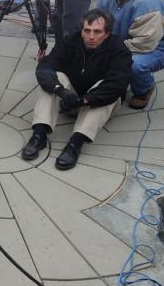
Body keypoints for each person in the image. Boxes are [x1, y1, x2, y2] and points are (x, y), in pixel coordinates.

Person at [22, 9, 131, 170]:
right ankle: (39, 135)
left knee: (106, 86)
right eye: (87, 30)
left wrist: (83, 100)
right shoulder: (70, 41)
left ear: (107, 33)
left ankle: (75, 144)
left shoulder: (119, 50)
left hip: (97, 102)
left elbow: (117, 85)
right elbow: (45, 67)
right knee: (54, 77)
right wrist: (60, 91)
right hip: (69, 98)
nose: (91, 36)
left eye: (97, 32)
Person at [96, 0, 164, 109]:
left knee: (133, 65)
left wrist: (111, 51)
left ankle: (144, 89)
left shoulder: (147, 2)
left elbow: (144, 43)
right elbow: (95, 24)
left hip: (158, 48)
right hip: (124, 43)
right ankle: (117, 84)